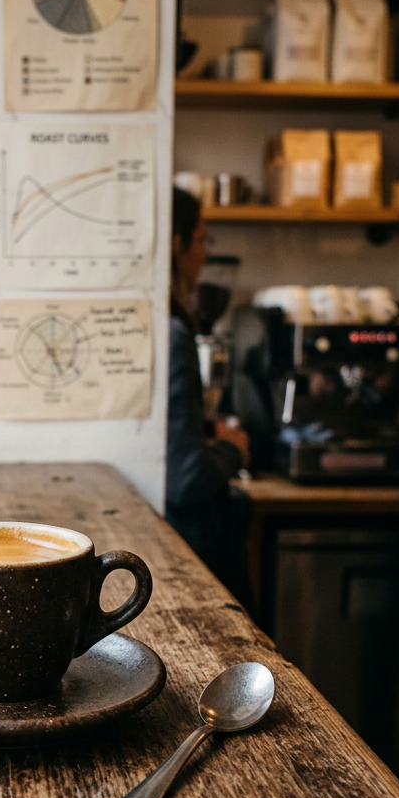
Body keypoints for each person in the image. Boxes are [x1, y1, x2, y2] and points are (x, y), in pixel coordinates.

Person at [166, 186, 252, 605]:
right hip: (185, 550)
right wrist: (233, 449)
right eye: (201, 240)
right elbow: (189, 479)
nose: (203, 255)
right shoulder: (174, 331)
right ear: (177, 244)